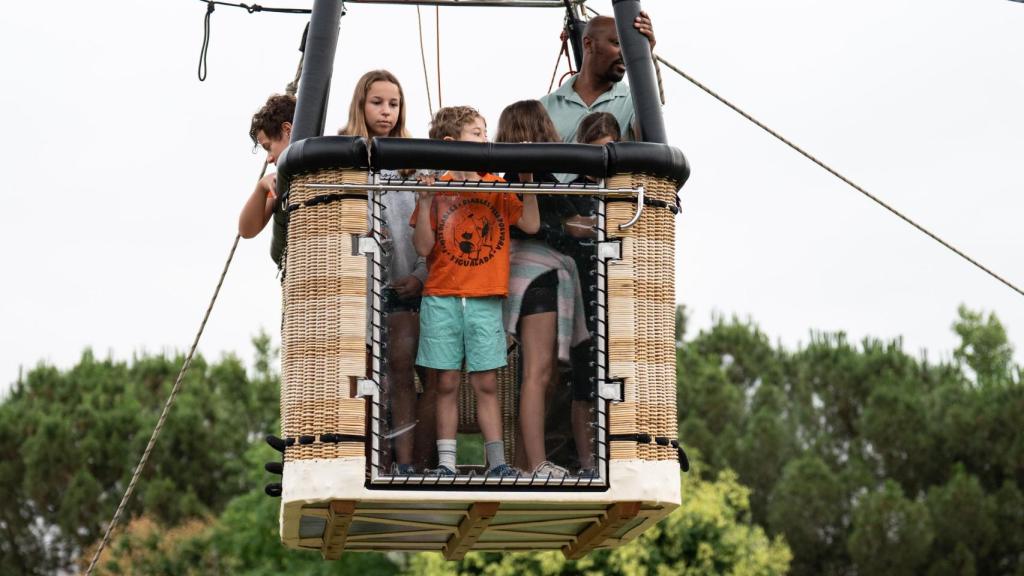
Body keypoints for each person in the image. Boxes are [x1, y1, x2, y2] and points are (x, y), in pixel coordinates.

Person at [411, 106, 540, 476]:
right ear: (452, 143)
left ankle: (497, 462)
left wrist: (527, 181)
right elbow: (422, 248)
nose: (486, 139)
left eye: (485, 132)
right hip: (442, 296)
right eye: (477, 133)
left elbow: (530, 223)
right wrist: (423, 204)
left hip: (484, 298)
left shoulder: (496, 187)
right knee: (446, 381)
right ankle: (447, 463)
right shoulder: (438, 189)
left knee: (485, 382)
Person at [338, 70, 434, 475]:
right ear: (361, 103)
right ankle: (371, 457)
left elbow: (425, 223)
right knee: (361, 374)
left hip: (400, 283)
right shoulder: (343, 154)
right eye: (377, 102)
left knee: (400, 370)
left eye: (393, 104)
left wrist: (420, 274)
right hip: (358, 290)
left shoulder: (409, 161)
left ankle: (406, 460)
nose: (386, 112)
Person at [494, 100, 589, 479]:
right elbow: (559, 225)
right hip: (536, 276)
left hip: (532, 276)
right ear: (539, 129)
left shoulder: (516, 176)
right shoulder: (530, 178)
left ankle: (524, 459)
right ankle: (535, 463)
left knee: (542, 374)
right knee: (539, 372)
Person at [567, 111, 622, 476]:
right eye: (599, 152)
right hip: (582, 295)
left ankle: (615, 453)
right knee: (583, 384)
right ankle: (588, 461)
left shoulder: (621, 188)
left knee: (616, 379)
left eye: (612, 152)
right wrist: (593, 226)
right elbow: (568, 227)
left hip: (615, 295)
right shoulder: (573, 187)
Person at [539, 12, 655, 145]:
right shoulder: (545, 108)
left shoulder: (635, 101)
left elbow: (653, 146)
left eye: (628, 47)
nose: (625, 53)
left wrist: (642, 58)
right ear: (588, 44)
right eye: (617, 43)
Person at [238, 94, 295, 238]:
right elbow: (247, 230)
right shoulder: (282, 182)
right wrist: (261, 187)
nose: (269, 158)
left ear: (287, 130)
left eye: (268, 147)